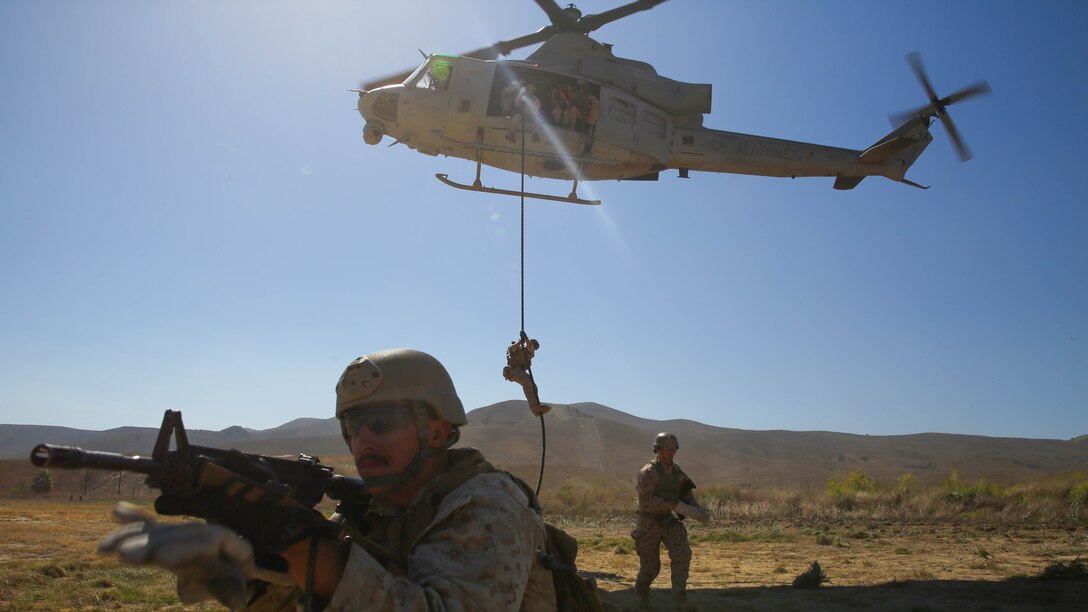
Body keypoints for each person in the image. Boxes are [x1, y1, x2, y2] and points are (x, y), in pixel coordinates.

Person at [100, 349, 566, 610]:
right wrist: (253, 579)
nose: (361, 440)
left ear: (438, 431)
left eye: (381, 422)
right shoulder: (370, 511)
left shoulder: (487, 506)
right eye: (351, 426)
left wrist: (302, 545)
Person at [632, 432, 707, 608]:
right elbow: (646, 502)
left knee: (682, 554)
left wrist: (696, 510)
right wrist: (674, 505)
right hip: (649, 524)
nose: (670, 453)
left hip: (669, 522)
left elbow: (686, 493)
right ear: (657, 449)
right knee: (651, 568)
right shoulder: (648, 472)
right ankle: (641, 595)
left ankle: (679, 600)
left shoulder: (676, 471)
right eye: (667, 450)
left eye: (674, 450)